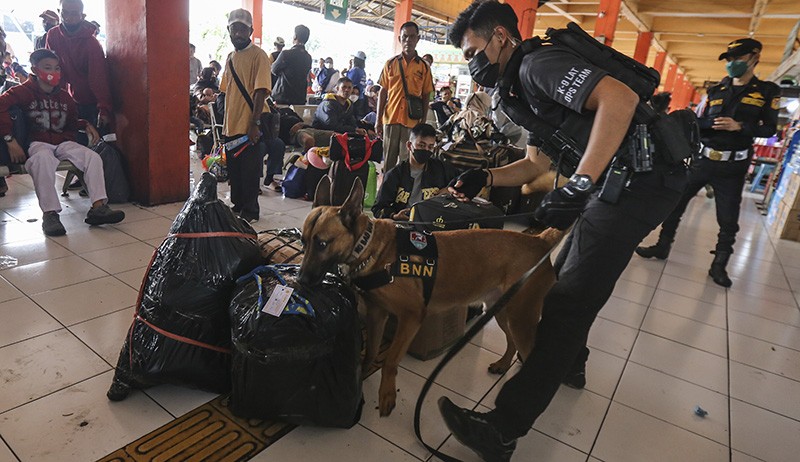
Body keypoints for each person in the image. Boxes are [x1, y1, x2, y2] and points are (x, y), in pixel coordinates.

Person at [436, 2, 688, 460]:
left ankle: (503, 429)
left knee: (568, 303)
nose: (473, 62)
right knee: (562, 281)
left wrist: (581, 183)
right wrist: (485, 178)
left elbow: (620, 99)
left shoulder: (537, 66)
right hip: (625, 180)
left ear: (498, 36)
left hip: (639, 183)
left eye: (474, 49)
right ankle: (571, 364)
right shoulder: (520, 89)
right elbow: (535, 164)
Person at [635, 38, 779, 287]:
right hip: (703, 159)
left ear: (755, 57)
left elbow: (770, 130)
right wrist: (708, 124)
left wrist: (741, 126)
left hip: (733, 167)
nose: (733, 63)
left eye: (739, 58)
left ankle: (719, 266)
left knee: (728, 218)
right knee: (674, 204)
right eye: (730, 59)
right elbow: (696, 122)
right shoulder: (715, 91)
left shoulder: (767, 91)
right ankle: (662, 246)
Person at [0, 49, 125, 236]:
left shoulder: (65, 96)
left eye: (57, 68)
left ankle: (98, 207)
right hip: (37, 142)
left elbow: (72, 121)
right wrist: (10, 140)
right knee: (42, 160)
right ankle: (50, 214)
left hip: (63, 141)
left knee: (92, 157)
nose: (53, 72)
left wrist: (85, 124)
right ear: (34, 69)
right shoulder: (22, 92)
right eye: (47, 68)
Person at [219, 8, 272, 223]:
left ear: (250, 31)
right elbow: (225, 91)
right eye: (234, 29)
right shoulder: (230, 58)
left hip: (250, 124)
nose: (238, 34)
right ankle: (238, 205)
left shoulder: (259, 55)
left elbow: (260, 90)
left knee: (250, 171)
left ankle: (250, 210)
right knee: (235, 170)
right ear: (229, 30)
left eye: (243, 29)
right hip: (231, 125)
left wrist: (254, 123)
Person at [46, 0, 113, 135]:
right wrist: (54, 101)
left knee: (95, 143)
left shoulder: (91, 44)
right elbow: (52, 69)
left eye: (74, 14)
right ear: (59, 12)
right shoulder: (53, 36)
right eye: (64, 13)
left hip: (92, 102)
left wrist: (104, 109)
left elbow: (98, 78)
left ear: (82, 16)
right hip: (69, 100)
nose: (68, 18)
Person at [376, 22, 434, 172]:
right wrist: (378, 120)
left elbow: (426, 94)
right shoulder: (390, 64)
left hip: (412, 122)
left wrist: (422, 122)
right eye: (405, 37)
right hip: (391, 119)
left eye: (412, 36)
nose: (408, 40)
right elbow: (383, 91)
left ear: (418, 39)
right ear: (400, 39)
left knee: (406, 162)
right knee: (388, 161)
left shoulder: (423, 67)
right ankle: (385, 192)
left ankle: (402, 193)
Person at [372, 123, 456, 220]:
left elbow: (462, 181)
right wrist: (394, 216)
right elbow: (377, 209)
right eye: (421, 145)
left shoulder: (442, 169)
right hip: (404, 224)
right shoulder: (394, 175)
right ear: (409, 145)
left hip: (434, 223)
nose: (426, 150)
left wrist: (449, 189)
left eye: (430, 147)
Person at [271, 25, 312, 105]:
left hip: (282, 98)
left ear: (295, 36)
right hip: (300, 99)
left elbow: (273, 70)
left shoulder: (286, 54)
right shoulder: (308, 57)